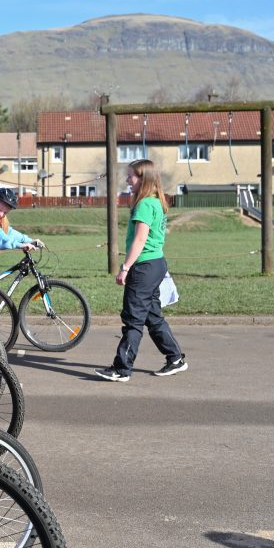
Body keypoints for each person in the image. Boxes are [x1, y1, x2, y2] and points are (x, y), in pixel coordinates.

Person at [96, 159, 187, 382]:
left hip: (144, 267)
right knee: (153, 316)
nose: (128, 180)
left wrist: (125, 268)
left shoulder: (145, 204)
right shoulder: (157, 202)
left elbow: (139, 239)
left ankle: (122, 369)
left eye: (132, 176)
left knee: (133, 319)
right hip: (156, 264)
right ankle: (175, 358)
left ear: (143, 179)